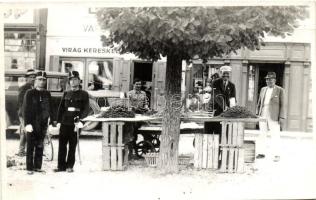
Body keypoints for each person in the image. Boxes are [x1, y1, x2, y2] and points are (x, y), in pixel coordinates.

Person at [54, 71, 90, 173]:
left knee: (72, 145)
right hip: (65, 122)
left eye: (75, 79)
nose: (73, 82)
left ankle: (70, 166)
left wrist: (81, 121)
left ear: (79, 81)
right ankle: (61, 166)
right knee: (62, 145)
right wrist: (57, 121)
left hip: (76, 122)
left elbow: (86, 109)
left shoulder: (84, 94)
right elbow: (61, 108)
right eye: (71, 80)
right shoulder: (66, 93)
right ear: (69, 82)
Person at [23, 71, 56, 175]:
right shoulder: (29, 93)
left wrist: (52, 123)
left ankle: (37, 166)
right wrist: (27, 124)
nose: (42, 82)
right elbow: (25, 109)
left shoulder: (47, 93)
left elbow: (51, 108)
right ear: (35, 81)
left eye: (44, 80)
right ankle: (29, 168)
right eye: (39, 79)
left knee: (40, 145)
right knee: (30, 146)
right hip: (32, 123)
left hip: (43, 123)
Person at [256, 72, 285, 162]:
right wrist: (257, 113)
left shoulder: (280, 90)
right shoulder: (263, 89)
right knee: (262, 134)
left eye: (271, 79)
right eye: (267, 79)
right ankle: (261, 153)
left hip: (274, 114)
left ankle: (277, 155)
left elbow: (283, 105)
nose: (268, 81)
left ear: (275, 80)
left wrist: (281, 117)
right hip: (263, 113)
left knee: (275, 134)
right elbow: (259, 102)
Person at [126, 78, 149, 159]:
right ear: (133, 85)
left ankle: (145, 147)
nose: (138, 86)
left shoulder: (143, 93)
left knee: (147, 130)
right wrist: (133, 108)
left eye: (139, 84)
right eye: (137, 84)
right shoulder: (130, 94)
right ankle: (132, 152)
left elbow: (146, 103)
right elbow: (127, 105)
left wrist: (146, 107)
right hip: (133, 116)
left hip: (142, 115)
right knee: (133, 133)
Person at [16, 69, 36, 157]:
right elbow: (21, 102)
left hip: (31, 113)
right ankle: (21, 151)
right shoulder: (23, 88)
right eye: (31, 77)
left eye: (34, 77)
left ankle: (25, 150)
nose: (33, 79)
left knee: (25, 131)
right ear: (26, 78)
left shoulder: (33, 88)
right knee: (25, 131)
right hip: (24, 113)